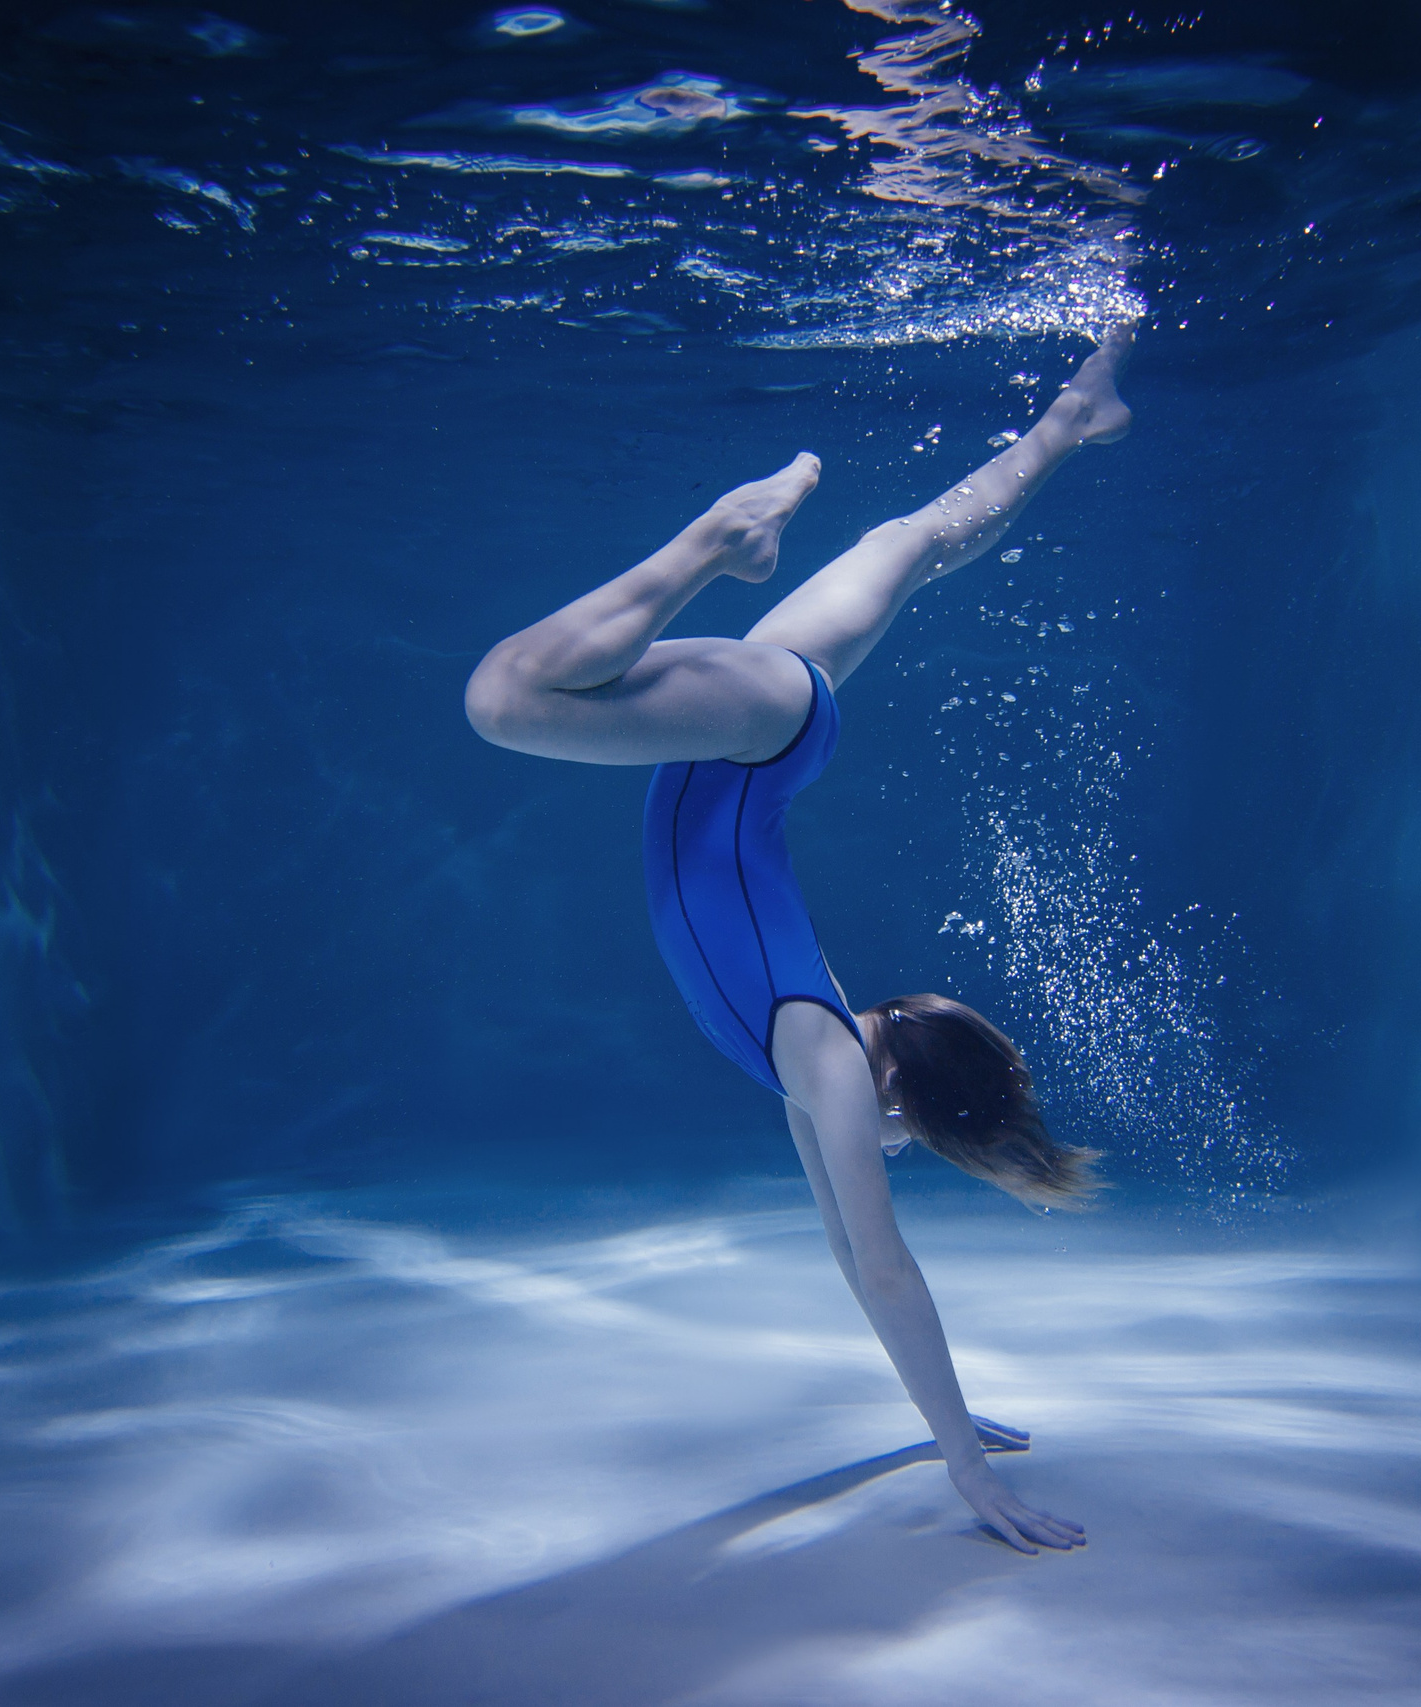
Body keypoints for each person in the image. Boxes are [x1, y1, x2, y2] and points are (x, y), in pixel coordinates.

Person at [464, 327, 1133, 1553]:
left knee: (911, 544)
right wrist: (964, 1471)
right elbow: (887, 1268)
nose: (887, 1151)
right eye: (913, 1141)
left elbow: (843, 1241)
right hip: (748, 734)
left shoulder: (817, 1062)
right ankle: (716, 542)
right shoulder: (823, 1062)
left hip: (772, 718)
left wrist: (946, 1422)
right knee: (505, 701)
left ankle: (1070, 420)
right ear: (900, 1094)